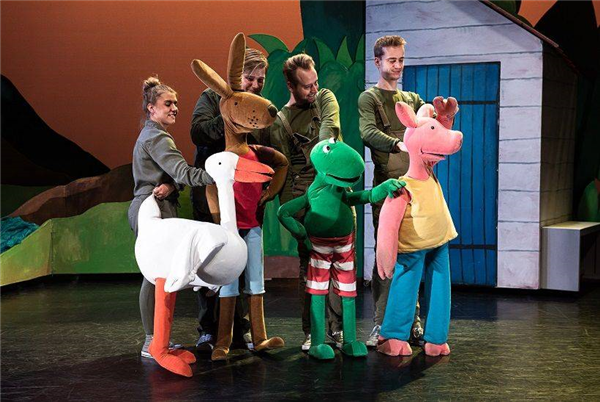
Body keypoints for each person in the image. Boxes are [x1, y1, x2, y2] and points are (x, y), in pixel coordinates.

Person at [190, 48, 286, 354]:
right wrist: (230, 114)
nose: (255, 85)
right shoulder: (212, 97)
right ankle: (210, 330)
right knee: (213, 266)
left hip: (248, 200)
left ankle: (242, 330)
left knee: (246, 267)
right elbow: (197, 132)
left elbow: (267, 148)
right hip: (215, 199)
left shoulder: (258, 105)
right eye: (249, 78)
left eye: (260, 80)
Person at [261, 53, 344, 352]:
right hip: (303, 197)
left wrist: (324, 156)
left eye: (315, 82)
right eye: (307, 86)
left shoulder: (325, 98)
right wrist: (295, 220)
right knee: (310, 265)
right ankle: (313, 331)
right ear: (290, 86)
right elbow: (284, 170)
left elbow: (329, 130)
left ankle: (338, 329)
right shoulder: (279, 122)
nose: (313, 90)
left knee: (339, 261)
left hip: (333, 192)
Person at [128, 76, 214, 358]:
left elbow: (172, 177)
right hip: (152, 209)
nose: (175, 108)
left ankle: (158, 339)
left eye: (176, 103)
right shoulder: (156, 137)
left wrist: (171, 185)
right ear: (151, 108)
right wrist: (218, 174)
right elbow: (183, 172)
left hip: (157, 204)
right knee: (154, 275)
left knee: (160, 274)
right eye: (168, 103)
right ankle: (151, 341)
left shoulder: (154, 135)